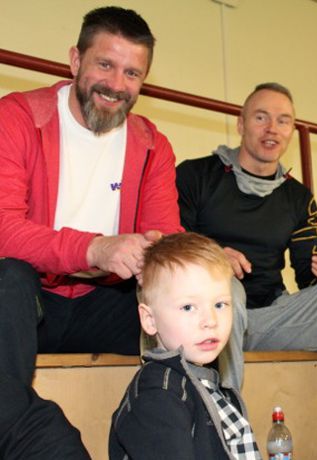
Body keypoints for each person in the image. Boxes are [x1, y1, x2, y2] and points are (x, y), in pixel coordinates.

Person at [176, 82, 317, 458]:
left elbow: (307, 275)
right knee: (227, 285)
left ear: (291, 131)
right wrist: (212, 257)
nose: (272, 129)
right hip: (209, 319)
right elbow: (169, 247)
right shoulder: (196, 175)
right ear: (241, 123)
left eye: (283, 121)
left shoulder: (298, 197)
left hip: (271, 318)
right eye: (261, 117)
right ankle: (225, 436)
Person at [0, 6, 181, 454]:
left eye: (132, 73)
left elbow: (164, 240)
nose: (117, 85)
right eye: (105, 64)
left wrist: (199, 256)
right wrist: (94, 249)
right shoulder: (17, 116)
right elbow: (4, 228)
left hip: (104, 302)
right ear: (75, 60)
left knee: (186, 302)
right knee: (8, 278)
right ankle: (41, 441)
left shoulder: (153, 145)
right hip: (30, 302)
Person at [110, 232, 260, 460]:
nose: (210, 320)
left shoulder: (206, 383)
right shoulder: (158, 397)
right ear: (150, 320)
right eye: (188, 307)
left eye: (220, 304)